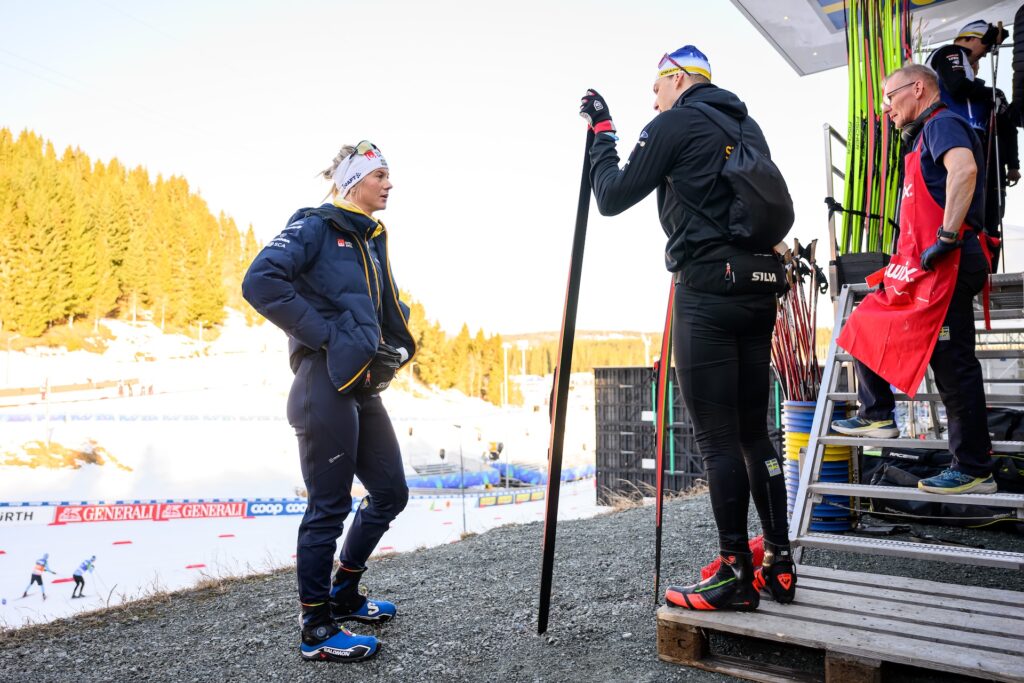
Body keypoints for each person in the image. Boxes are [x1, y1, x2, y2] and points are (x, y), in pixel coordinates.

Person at [579, 45, 794, 611]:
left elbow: (613, 196)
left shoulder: (675, 123)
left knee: (718, 439)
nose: (653, 98)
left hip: (707, 293)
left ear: (677, 78)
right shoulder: (747, 125)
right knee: (754, 434)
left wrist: (603, 133)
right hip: (760, 290)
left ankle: (732, 573)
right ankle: (778, 561)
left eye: (656, 86)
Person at [242, 140, 416, 663]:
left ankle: (344, 592)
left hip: (360, 383)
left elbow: (377, 306)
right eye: (380, 174)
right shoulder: (316, 224)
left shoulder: (371, 238)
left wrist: (397, 340)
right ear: (352, 181)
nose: (389, 183)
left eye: (389, 175)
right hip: (323, 384)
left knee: (390, 492)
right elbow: (260, 281)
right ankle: (315, 627)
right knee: (329, 506)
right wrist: (326, 336)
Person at [832, 64, 996, 495]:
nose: (885, 107)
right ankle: (878, 414)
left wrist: (945, 236)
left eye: (890, 97)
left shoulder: (943, 124)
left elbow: (963, 171)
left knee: (954, 369)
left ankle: (975, 467)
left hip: (951, 262)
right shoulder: (923, 136)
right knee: (867, 321)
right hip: (924, 266)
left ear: (917, 89)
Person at [928, 20, 1016, 268]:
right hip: (951, 136)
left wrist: (1013, 163)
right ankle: (950, 257)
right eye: (984, 45)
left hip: (972, 140)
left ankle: (982, 265)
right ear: (969, 38)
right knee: (957, 203)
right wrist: (992, 94)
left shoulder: (972, 75)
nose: (984, 53)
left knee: (983, 211)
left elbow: (1007, 128)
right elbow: (956, 87)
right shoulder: (951, 52)